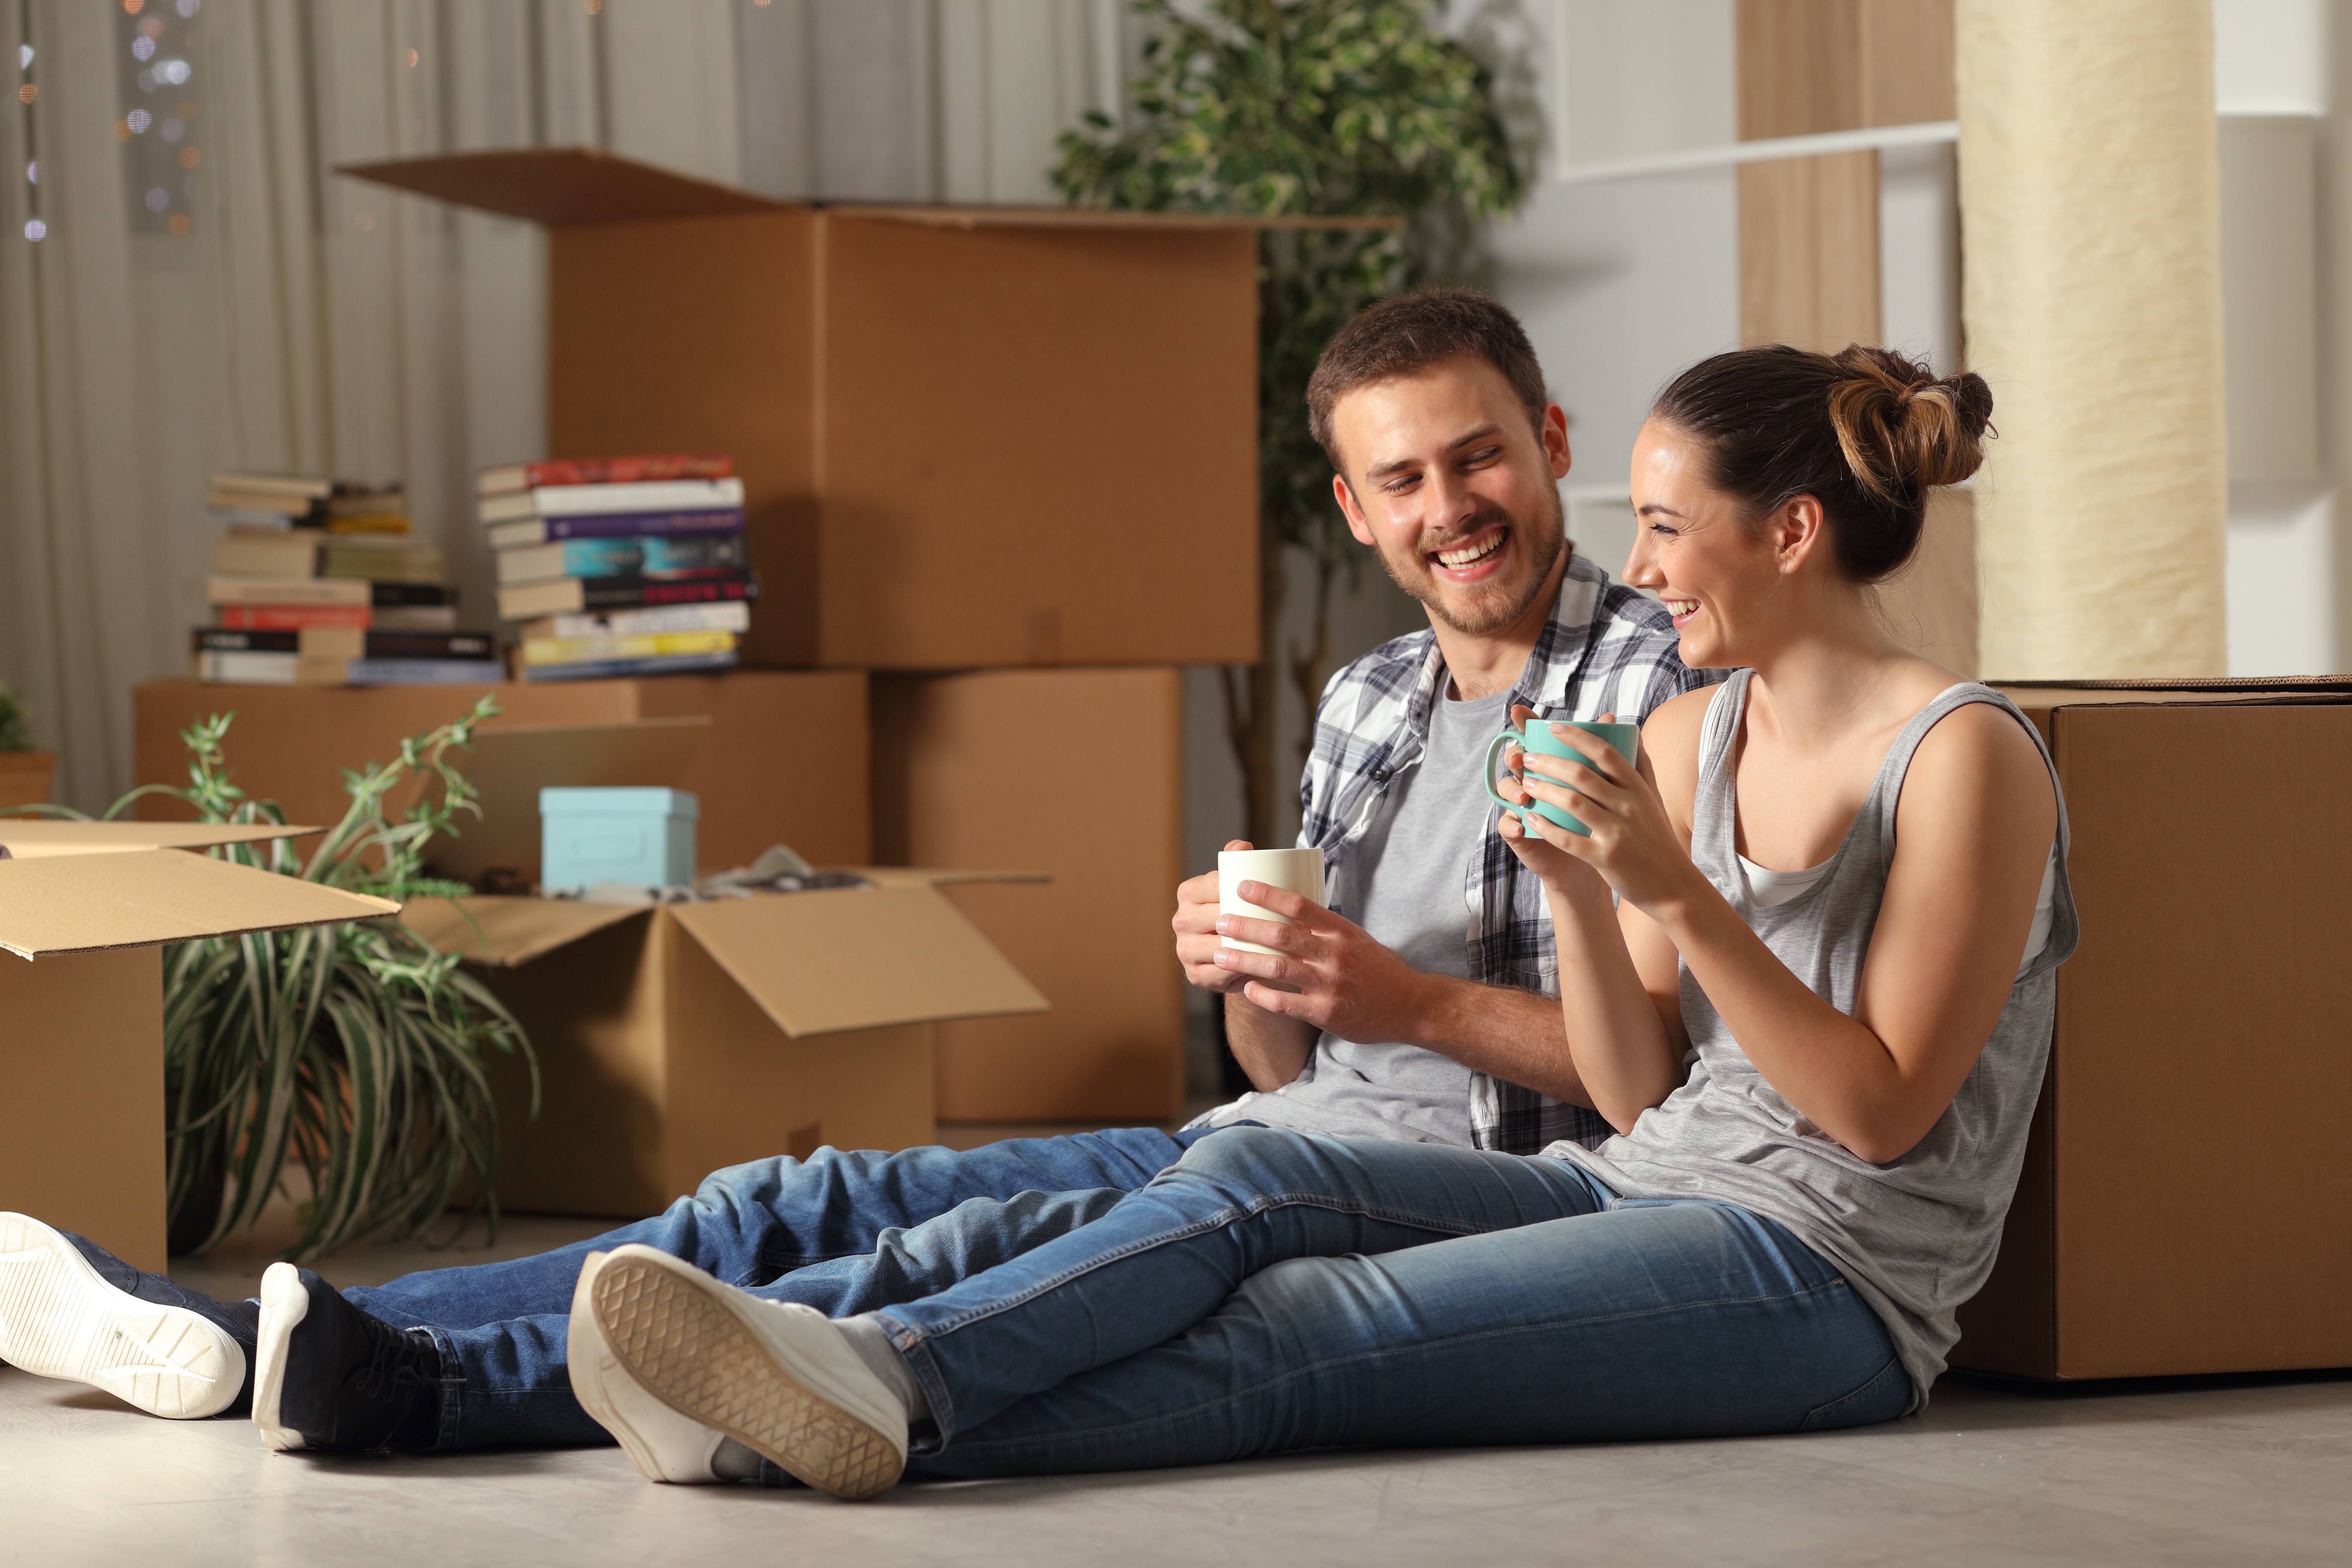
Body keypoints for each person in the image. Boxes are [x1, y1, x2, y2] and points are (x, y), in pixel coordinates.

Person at [0, 289, 1702, 1465]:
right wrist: (1260, 985)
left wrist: (1398, 1002)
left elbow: (1667, 1091)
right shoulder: (1369, 699)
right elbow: (1286, 1074)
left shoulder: (1659, 689)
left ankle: (421, 1382)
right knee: (770, 1207)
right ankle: (225, 1332)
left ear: (1552, 440)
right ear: (1352, 506)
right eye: (1401, 479)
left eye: (1478, 457)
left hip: (1482, 1190)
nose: (1449, 507)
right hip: (1274, 1135)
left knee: (924, 1257)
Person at [556, 341, 2076, 1501]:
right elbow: (1637, 1095)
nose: (1652, 566)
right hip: (1647, 1180)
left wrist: (1669, 891)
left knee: (1319, 1331)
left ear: (1793, 531)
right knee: (1261, 1186)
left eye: (1674, 528)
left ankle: (837, 1427)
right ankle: (875, 1373)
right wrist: (1579, 889)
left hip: (1829, 1283)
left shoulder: (1965, 759)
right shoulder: (1698, 739)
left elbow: (1878, 1115)